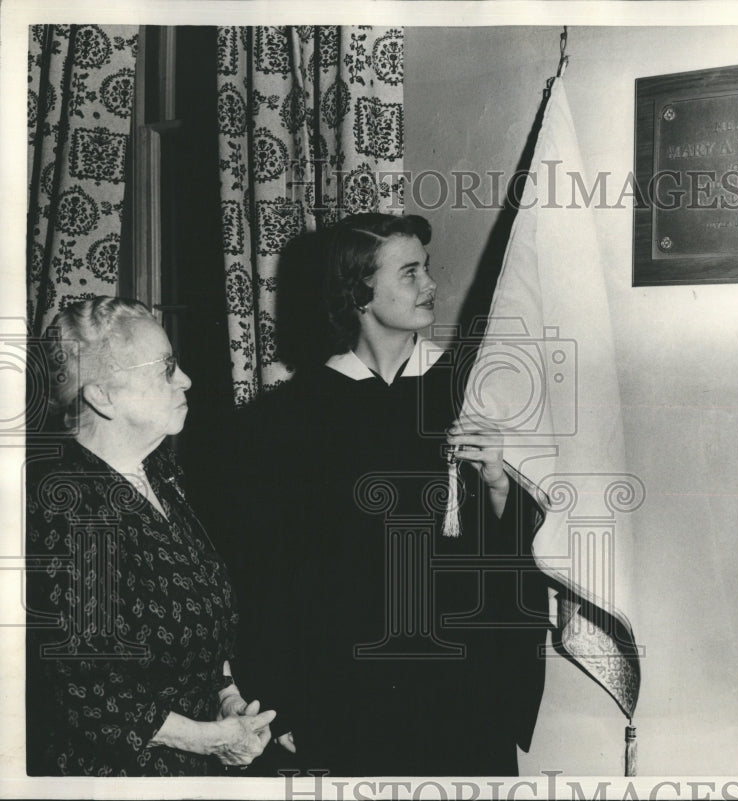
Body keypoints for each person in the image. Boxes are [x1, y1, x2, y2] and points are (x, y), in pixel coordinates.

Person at [227, 213, 549, 776]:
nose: (431, 286)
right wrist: (284, 704)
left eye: (426, 270)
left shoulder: (469, 393)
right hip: (345, 697)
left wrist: (500, 481)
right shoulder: (287, 421)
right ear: (360, 291)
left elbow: (515, 547)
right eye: (410, 273)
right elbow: (266, 572)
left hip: (461, 690)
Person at [25, 297, 275, 776]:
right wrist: (207, 739)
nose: (185, 380)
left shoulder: (158, 474)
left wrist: (227, 700)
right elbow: (86, 686)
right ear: (102, 395)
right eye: (166, 369)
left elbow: (202, 622)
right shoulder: (72, 507)